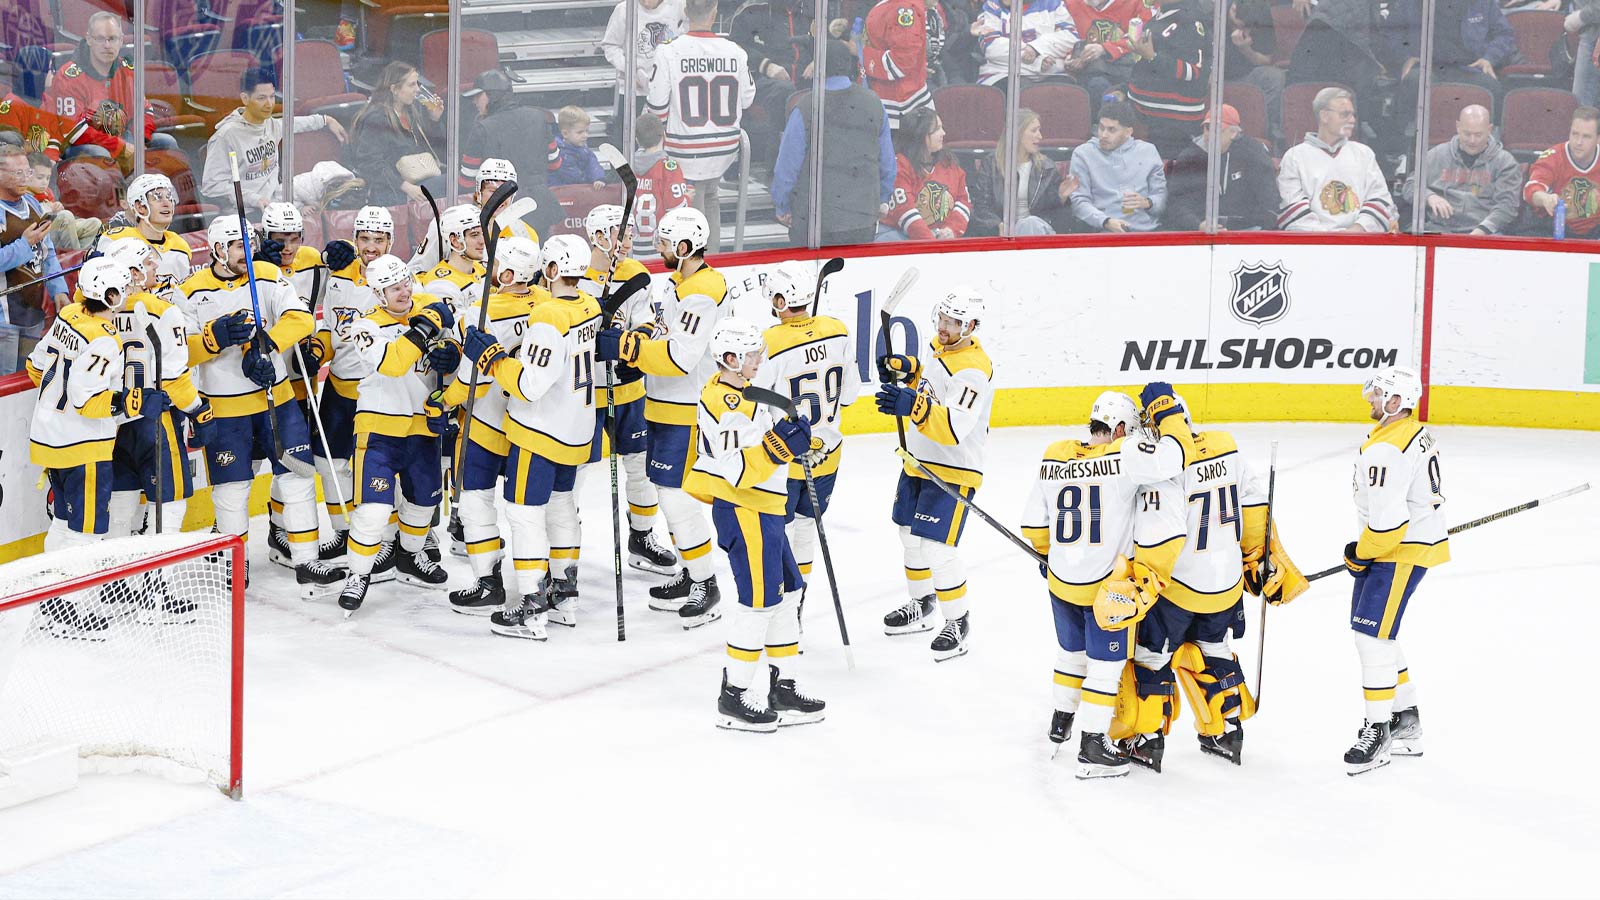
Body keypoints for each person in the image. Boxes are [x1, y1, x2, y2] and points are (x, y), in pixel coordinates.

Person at [1121, 398, 1308, 772]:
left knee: (1151, 656)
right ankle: (1226, 730)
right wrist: (1259, 561)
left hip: (1177, 588)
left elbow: (1162, 535)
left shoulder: (1169, 467)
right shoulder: (1226, 445)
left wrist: (1142, 581)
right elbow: (1254, 507)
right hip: (1225, 585)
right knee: (1214, 650)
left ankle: (1146, 738)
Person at [1021, 388, 1189, 779]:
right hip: (1104, 587)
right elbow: (1174, 457)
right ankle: (1092, 745)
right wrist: (1169, 414)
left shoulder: (1054, 454)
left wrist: (1051, 556)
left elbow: (1033, 524)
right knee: (1105, 665)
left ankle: (1061, 720)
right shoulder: (1125, 455)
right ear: (1117, 428)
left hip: (1062, 582)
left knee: (1070, 655)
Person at [178, 216, 333, 593]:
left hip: (277, 401)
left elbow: (300, 319)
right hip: (226, 411)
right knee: (232, 491)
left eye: (250, 244)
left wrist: (268, 344)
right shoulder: (191, 291)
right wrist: (212, 340)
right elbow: (179, 352)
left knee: (297, 479)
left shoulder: (265, 273)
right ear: (217, 250)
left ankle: (306, 561)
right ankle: (234, 564)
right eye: (237, 246)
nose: (246, 252)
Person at [685, 317, 825, 732]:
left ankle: (784, 686)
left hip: (765, 506)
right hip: (742, 508)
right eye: (752, 355)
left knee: (787, 594)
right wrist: (782, 447)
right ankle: (734, 695)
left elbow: (762, 442)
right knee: (759, 602)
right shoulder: (722, 402)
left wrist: (794, 439)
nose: (759, 359)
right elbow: (736, 468)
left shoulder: (743, 392)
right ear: (731, 359)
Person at [462, 235, 602, 637]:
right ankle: (565, 597)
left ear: (554, 270)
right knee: (561, 511)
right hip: (577, 431)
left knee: (525, 515)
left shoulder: (549, 316)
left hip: (540, 432)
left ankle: (531, 607)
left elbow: (528, 385)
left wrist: (493, 358)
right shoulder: (589, 304)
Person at [595, 207, 726, 621]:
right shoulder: (682, 283)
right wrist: (637, 335)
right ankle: (692, 571)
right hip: (666, 404)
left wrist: (627, 349)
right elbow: (665, 334)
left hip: (685, 409)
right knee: (670, 494)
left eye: (668, 244)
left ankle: (705, 583)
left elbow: (680, 357)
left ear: (685, 248)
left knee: (675, 494)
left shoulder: (700, 292)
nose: (660, 248)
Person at [333, 255, 458, 614]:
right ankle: (358, 574)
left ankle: (410, 557)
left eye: (406, 282)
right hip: (379, 431)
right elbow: (392, 363)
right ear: (377, 292)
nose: (404, 291)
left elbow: (452, 349)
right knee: (373, 512)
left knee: (424, 505)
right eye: (394, 287)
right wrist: (424, 329)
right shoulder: (364, 326)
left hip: (424, 427)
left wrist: (451, 352)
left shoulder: (429, 312)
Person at [875, 285, 993, 662]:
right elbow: (931, 381)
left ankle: (958, 621)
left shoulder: (973, 370)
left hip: (953, 470)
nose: (943, 327)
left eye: (953, 322)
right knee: (909, 537)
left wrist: (912, 405)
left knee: (937, 549)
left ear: (971, 325)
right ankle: (921, 604)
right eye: (942, 318)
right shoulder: (942, 348)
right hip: (918, 461)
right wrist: (907, 372)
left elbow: (955, 426)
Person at [1339, 365, 1447, 775]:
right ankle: (1406, 721)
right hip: (1398, 547)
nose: (1370, 398)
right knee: (1377, 635)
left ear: (1397, 402)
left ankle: (1378, 730)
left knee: (1372, 637)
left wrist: (1361, 552)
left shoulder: (1387, 447)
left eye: (1379, 393)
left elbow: (1388, 522)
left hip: (1396, 550)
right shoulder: (1406, 434)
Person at [578, 204, 677, 577]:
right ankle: (564, 549)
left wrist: (623, 344)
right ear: (599, 237)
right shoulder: (574, 274)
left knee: (639, 467)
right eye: (622, 234)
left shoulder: (637, 275)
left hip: (628, 389)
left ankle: (642, 537)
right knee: (575, 471)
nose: (629, 241)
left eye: (631, 233)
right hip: (585, 393)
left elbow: (648, 326)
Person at [444, 237, 542, 613]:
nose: (490, 266)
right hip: (530, 425)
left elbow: (476, 379)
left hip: (485, 424)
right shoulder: (547, 305)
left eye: (498, 261)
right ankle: (543, 584)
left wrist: (444, 402)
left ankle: (489, 584)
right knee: (531, 511)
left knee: (475, 504)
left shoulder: (479, 313)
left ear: (511, 271)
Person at [25, 258, 145, 556]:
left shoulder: (68, 315)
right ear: (109, 295)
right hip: (83, 448)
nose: (128, 290)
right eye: (123, 286)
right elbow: (87, 402)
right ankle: (74, 601)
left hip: (51, 439)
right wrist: (127, 402)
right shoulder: (104, 339)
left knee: (63, 523)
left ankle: (54, 597)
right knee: (86, 533)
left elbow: (35, 366)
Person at [756, 261, 859, 604]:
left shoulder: (768, 342)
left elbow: (754, 405)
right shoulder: (838, 330)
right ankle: (798, 604)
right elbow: (850, 396)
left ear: (782, 300)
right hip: (827, 457)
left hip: (783, 460)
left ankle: (783, 605)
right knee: (805, 529)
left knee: (777, 533)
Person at [100, 238, 207, 538]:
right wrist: (198, 410)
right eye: (147, 263)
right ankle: (158, 581)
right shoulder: (162, 310)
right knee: (170, 506)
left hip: (114, 422)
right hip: (155, 421)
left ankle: (117, 583)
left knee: (120, 506)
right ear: (132, 273)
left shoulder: (96, 314)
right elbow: (173, 377)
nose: (155, 266)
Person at [314, 206, 399, 570]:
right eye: (364, 238)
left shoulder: (399, 278)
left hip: (377, 392)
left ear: (390, 242)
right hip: (338, 388)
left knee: (379, 469)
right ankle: (342, 531)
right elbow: (329, 331)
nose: (371, 247)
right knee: (328, 462)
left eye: (379, 239)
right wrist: (317, 348)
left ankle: (387, 540)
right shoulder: (337, 277)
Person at [647, 0, 756, 253]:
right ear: (715, 12)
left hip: (684, 148)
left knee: (693, 205)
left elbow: (657, 107)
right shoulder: (735, 51)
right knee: (710, 195)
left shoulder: (668, 51)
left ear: (685, 12)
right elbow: (748, 99)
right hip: (724, 147)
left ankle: (696, 262)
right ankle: (712, 258)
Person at [771, 40, 895, 247]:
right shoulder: (875, 104)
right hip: (862, 218)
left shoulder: (805, 107)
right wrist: (882, 199)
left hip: (813, 221)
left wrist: (782, 206)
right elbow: (887, 163)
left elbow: (787, 167)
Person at [202, 69, 347, 214]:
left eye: (272, 97)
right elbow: (212, 186)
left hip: (276, 206)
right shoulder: (226, 136)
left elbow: (297, 123)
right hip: (245, 213)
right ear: (245, 99)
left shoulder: (271, 124)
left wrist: (327, 120)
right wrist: (254, 199)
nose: (269, 104)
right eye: (261, 98)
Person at [41, 11, 164, 173]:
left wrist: (140, 139)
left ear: (121, 40)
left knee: (164, 143)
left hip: (123, 138)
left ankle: (162, 196)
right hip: (79, 146)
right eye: (100, 39)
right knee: (101, 154)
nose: (107, 45)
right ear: (89, 39)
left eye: (112, 39)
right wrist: (121, 147)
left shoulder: (127, 71)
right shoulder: (69, 76)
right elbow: (74, 132)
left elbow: (145, 110)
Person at [459, 69, 561, 238]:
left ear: (491, 95)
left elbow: (466, 180)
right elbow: (555, 163)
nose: (474, 101)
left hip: (501, 211)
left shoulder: (482, 127)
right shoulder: (540, 117)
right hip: (539, 207)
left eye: (478, 95)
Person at [1277, 87, 1396, 233]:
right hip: (1313, 247)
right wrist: (1329, 240)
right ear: (1324, 116)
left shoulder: (1364, 154)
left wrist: (1356, 231)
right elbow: (1291, 209)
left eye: (1353, 115)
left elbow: (1381, 201)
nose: (1352, 120)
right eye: (1345, 114)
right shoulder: (1295, 156)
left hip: (1360, 243)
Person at [1400, 104, 1520, 236]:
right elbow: (1410, 186)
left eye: (1478, 135)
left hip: (1485, 232)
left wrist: (1482, 231)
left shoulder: (1505, 162)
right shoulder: (1436, 154)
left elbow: (1507, 206)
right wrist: (1429, 196)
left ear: (1489, 129)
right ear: (1458, 127)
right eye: (1467, 134)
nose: (1472, 140)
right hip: (1438, 229)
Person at [344, 60, 445, 206]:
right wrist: (405, 187)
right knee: (453, 184)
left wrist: (434, 120)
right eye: (411, 85)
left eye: (417, 84)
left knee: (455, 181)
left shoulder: (412, 111)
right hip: (391, 190)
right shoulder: (377, 119)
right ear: (394, 89)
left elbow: (435, 152)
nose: (417, 89)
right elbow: (369, 163)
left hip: (419, 179)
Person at [1395, 0, 1516, 119]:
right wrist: (1405, 57)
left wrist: (1489, 58)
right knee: (1413, 81)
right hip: (1427, 66)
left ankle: (1490, 135)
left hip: (1470, 67)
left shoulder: (1484, 2)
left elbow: (1504, 34)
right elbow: (1391, 32)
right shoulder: (1409, 3)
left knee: (1492, 88)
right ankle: (1408, 135)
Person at [1167, 104, 1279, 231]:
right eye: (1207, 128)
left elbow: (1269, 200)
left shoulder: (1254, 153)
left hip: (1248, 231)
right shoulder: (1189, 157)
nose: (1209, 134)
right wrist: (1197, 225)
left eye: (1217, 129)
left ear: (1234, 133)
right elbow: (1175, 204)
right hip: (1201, 232)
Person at [969, 108, 1073, 236]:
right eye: (1034, 130)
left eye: (1039, 130)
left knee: (1030, 224)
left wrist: (1061, 197)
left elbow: (1055, 214)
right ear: (1017, 133)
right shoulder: (991, 165)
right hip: (1004, 234)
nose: (1040, 136)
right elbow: (981, 206)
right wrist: (998, 225)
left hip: (1039, 232)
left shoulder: (1047, 168)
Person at [1127, 0, 1208, 161]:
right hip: (1148, 117)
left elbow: (1194, 72)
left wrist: (1152, 56)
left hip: (1173, 125)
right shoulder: (1161, 14)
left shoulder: (1191, 22)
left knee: (1164, 176)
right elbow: (1146, 66)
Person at [1069, 101, 1166, 233]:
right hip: (1103, 232)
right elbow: (1078, 201)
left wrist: (1148, 202)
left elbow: (1161, 197)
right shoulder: (1083, 154)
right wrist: (1105, 221)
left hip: (1147, 231)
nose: (1103, 135)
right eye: (1101, 128)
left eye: (1111, 130)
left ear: (1128, 132)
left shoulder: (1148, 151)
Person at [0, 144, 69, 328]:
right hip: (3, 321)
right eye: (17, 173)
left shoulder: (32, 202)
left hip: (33, 314)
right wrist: (25, 244)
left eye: (27, 173)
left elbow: (47, 252)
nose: (24, 179)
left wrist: (59, 290)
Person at [95, 173, 193, 302]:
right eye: (157, 198)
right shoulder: (116, 241)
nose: (166, 203)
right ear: (140, 207)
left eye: (169, 197)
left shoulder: (180, 245)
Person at [880, 106, 971, 241]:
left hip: (937, 237)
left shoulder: (948, 163)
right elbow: (904, 211)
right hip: (899, 235)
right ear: (921, 135)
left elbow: (964, 201)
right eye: (937, 129)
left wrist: (952, 230)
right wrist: (932, 245)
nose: (944, 133)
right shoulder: (900, 165)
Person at [1524, 106, 1600, 238]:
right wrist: (1545, 198)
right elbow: (1530, 189)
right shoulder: (1553, 156)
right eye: (1574, 134)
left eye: (1586, 137)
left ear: (1598, 139)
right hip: (1553, 228)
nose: (1578, 142)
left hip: (1595, 231)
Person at [1063, 0, 1148, 115]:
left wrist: (1104, 49)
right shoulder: (1071, 4)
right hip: (1085, 72)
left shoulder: (1137, 4)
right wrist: (1071, 57)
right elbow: (1065, 35)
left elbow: (1142, 38)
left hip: (1124, 71)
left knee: (1099, 85)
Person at [973, 0, 1080, 90]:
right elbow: (991, 47)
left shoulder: (1053, 3)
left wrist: (1035, 48)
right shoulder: (992, 6)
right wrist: (1037, 61)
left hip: (1050, 73)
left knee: (1066, 92)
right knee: (1023, 92)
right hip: (1002, 74)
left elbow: (1071, 36)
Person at [863, 0, 934, 129]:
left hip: (899, 106)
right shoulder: (896, 5)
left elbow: (902, 62)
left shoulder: (903, 8)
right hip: (890, 99)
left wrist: (863, 55)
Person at [1225, 0, 1285, 146]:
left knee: (1275, 77)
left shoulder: (1262, 14)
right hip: (1218, 78)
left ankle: (1267, 129)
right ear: (1232, 8)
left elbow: (1267, 60)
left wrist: (1246, 49)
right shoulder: (1215, 16)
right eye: (1240, 24)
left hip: (1248, 74)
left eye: (1248, 27)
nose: (1244, 29)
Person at [631, 114, 691, 256]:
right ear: (664, 135)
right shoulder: (668, 168)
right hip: (660, 246)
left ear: (636, 139)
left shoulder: (628, 164)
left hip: (632, 245)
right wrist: (687, 198)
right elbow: (677, 210)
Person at [601, 0, 687, 98]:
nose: (646, 3)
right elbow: (610, 46)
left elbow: (692, 29)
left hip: (668, 87)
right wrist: (629, 69)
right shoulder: (623, 9)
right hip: (633, 89)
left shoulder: (679, 5)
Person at [413, 203, 486, 316]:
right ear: (455, 241)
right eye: (474, 235)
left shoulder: (480, 268)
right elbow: (457, 332)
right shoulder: (440, 286)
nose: (482, 241)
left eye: (483, 233)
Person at [550, 106, 607, 189]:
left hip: (579, 188)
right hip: (562, 191)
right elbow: (573, 176)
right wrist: (589, 183)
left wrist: (598, 178)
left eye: (586, 131)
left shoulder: (584, 149)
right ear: (565, 134)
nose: (585, 135)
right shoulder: (559, 153)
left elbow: (593, 164)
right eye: (580, 132)